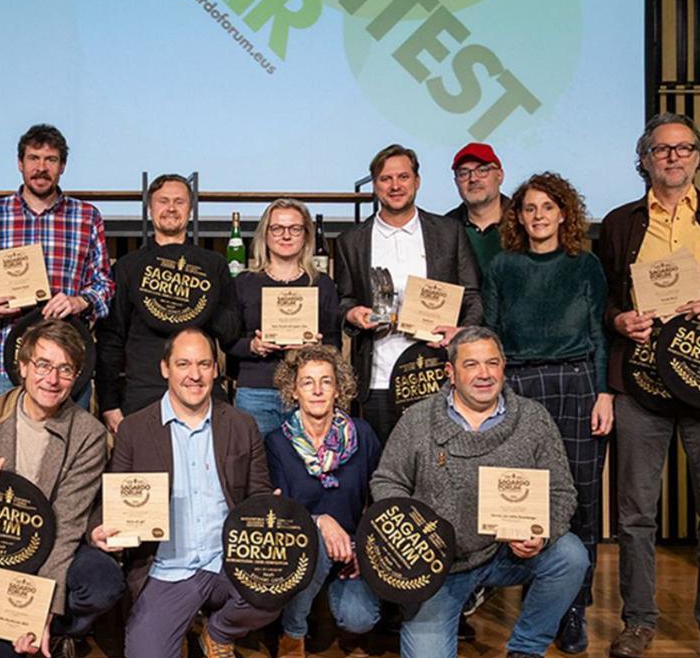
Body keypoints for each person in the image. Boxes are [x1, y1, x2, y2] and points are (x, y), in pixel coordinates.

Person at [601, 113, 700, 658]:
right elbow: (605, 300)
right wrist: (621, 322)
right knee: (635, 513)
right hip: (640, 382)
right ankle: (637, 622)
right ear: (643, 159)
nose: (673, 157)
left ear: (698, 157)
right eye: (661, 150)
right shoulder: (619, 224)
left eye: (683, 148)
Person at [368, 326, 587, 658]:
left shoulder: (533, 420)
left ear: (504, 368)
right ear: (450, 373)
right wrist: (414, 541)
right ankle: (452, 602)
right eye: (471, 364)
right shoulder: (419, 420)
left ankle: (526, 651)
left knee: (571, 556)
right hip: (440, 565)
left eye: (492, 363)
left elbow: (561, 491)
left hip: (506, 554)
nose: (484, 374)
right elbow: (386, 482)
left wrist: (542, 531)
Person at [91, 327, 278, 658]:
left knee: (280, 580)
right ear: (165, 368)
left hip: (226, 562)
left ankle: (218, 631)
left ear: (215, 370)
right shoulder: (134, 430)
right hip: (167, 569)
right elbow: (111, 498)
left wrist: (271, 509)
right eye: (184, 364)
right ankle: (179, 622)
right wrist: (100, 528)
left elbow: (257, 494)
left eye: (204, 364)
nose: (194, 374)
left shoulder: (242, 425)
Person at [0, 319, 124, 658]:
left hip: (58, 551)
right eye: (42, 365)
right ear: (23, 366)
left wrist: (41, 610)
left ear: (75, 377)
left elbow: (66, 527)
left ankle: (59, 634)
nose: (51, 379)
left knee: (101, 581)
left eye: (64, 369)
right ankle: (22, 636)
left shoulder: (88, 433)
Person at [483, 172, 610, 654]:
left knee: (579, 495)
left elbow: (600, 336)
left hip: (576, 384)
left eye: (547, 207)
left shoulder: (586, 266)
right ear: (518, 216)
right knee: (515, 495)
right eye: (529, 208)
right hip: (518, 384)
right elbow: (492, 332)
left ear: (564, 214)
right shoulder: (503, 266)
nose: (538, 216)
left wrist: (604, 393)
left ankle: (573, 607)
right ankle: (522, 597)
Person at [333, 144, 483, 443]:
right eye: (386, 179)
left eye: (403, 176)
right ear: (375, 185)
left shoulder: (448, 232)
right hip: (377, 378)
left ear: (417, 181)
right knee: (382, 473)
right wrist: (353, 314)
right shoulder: (351, 241)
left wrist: (460, 331)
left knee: (440, 469)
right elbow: (342, 301)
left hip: (438, 373)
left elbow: (473, 296)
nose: (395, 185)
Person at [0, 124, 112, 409]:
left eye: (50, 160)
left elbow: (104, 287)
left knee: (69, 452)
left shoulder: (87, 217)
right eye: (33, 158)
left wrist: (79, 301)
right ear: (20, 163)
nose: (41, 168)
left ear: (62, 166)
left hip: (66, 365)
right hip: (3, 364)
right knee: (0, 451)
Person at [264, 345, 381, 658]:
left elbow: (379, 498)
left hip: (353, 547)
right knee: (316, 538)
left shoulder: (363, 434)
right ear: (293, 391)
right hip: (301, 549)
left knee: (360, 620)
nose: (317, 391)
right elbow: (281, 514)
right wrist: (320, 521)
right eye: (307, 382)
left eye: (326, 382)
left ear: (339, 389)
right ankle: (292, 632)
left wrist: (362, 547)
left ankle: (332, 608)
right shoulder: (277, 442)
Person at [96, 175, 240, 431]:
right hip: (143, 393)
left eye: (179, 201)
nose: (171, 208)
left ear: (190, 209)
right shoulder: (128, 267)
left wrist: (199, 300)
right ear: (150, 209)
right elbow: (111, 339)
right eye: (163, 201)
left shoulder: (214, 264)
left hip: (201, 390)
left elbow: (230, 331)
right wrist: (109, 404)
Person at [229, 199, 343, 434]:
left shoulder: (323, 284)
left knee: (306, 468)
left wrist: (317, 347)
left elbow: (335, 346)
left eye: (295, 229)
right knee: (254, 468)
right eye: (277, 228)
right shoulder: (244, 283)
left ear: (306, 235)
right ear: (266, 234)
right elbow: (228, 342)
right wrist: (254, 345)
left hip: (309, 393)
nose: (286, 236)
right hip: (256, 392)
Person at [446, 142, 510, 270]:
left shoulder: (524, 221)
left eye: (482, 170)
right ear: (456, 182)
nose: (473, 179)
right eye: (464, 173)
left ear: (500, 176)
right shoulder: (444, 230)